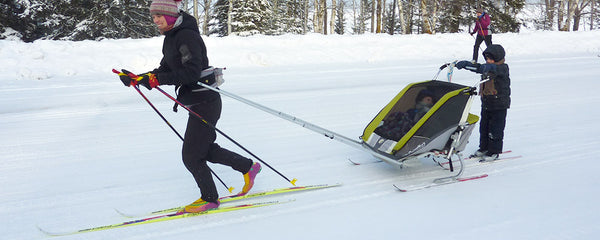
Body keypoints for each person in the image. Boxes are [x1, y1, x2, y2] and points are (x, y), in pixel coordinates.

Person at [118, 0, 261, 213]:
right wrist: (140, 78)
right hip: (197, 101)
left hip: (206, 101)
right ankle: (248, 167)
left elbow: (191, 73)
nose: (155, 19)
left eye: (159, 15)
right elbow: (165, 69)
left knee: (192, 156)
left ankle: (210, 199)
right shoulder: (172, 38)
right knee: (203, 149)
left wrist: (156, 80)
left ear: (170, 15)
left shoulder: (187, 36)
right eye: (153, 16)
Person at [455, 44, 511, 161]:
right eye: (486, 59)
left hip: (499, 104)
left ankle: (494, 152)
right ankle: (484, 148)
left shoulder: (502, 68)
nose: (488, 61)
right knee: (484, 127)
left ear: (497, 58)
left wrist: (480, 66)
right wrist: (466, 65)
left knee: (495, 129)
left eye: (490, 59)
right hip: (487, 103)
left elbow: (485, 68)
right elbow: (480, 68)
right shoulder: (489, 67)